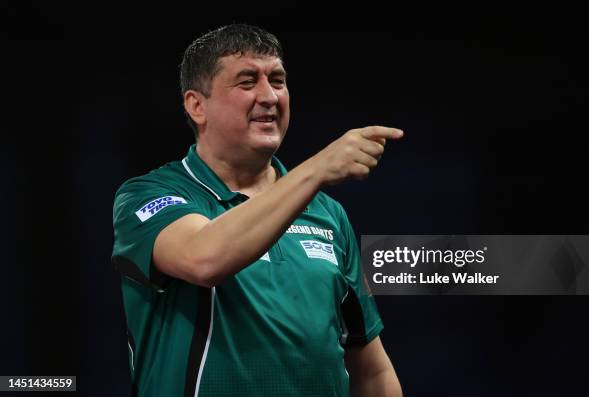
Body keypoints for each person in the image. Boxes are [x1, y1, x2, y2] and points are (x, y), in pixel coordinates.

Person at [112, 24, 403, 397]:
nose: (270, 96)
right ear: (196, 105)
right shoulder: (148, 194)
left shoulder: (327, 213)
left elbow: (372, 371)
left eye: (278, 81)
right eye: (247, 82)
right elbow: (204, 259)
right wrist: (317, 169)